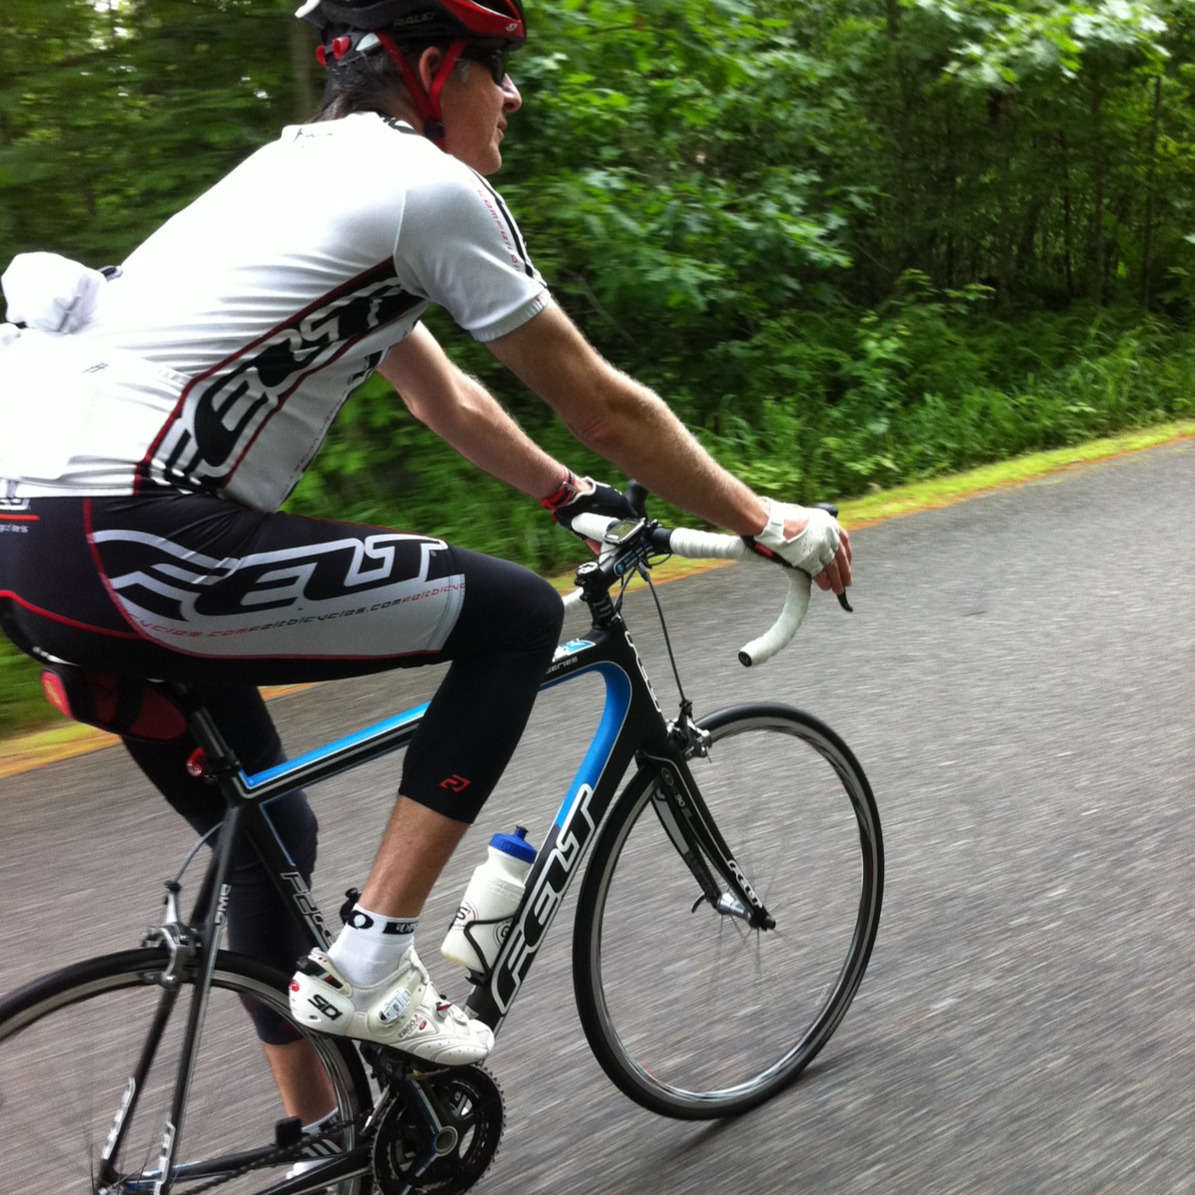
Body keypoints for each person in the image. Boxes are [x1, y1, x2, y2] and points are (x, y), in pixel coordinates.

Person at [0, 0, 851, 1126]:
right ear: (434, 66)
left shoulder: (287, 183)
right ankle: (372, 962)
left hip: (30, 555)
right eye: (495, 66)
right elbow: (599, 403)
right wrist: (766, 520)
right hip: (137, 545)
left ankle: (325, 1137)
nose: (513, 94)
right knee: (514, 615)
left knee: (270, 836)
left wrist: (567, 496)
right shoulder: (425, 187)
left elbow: (440, 396)